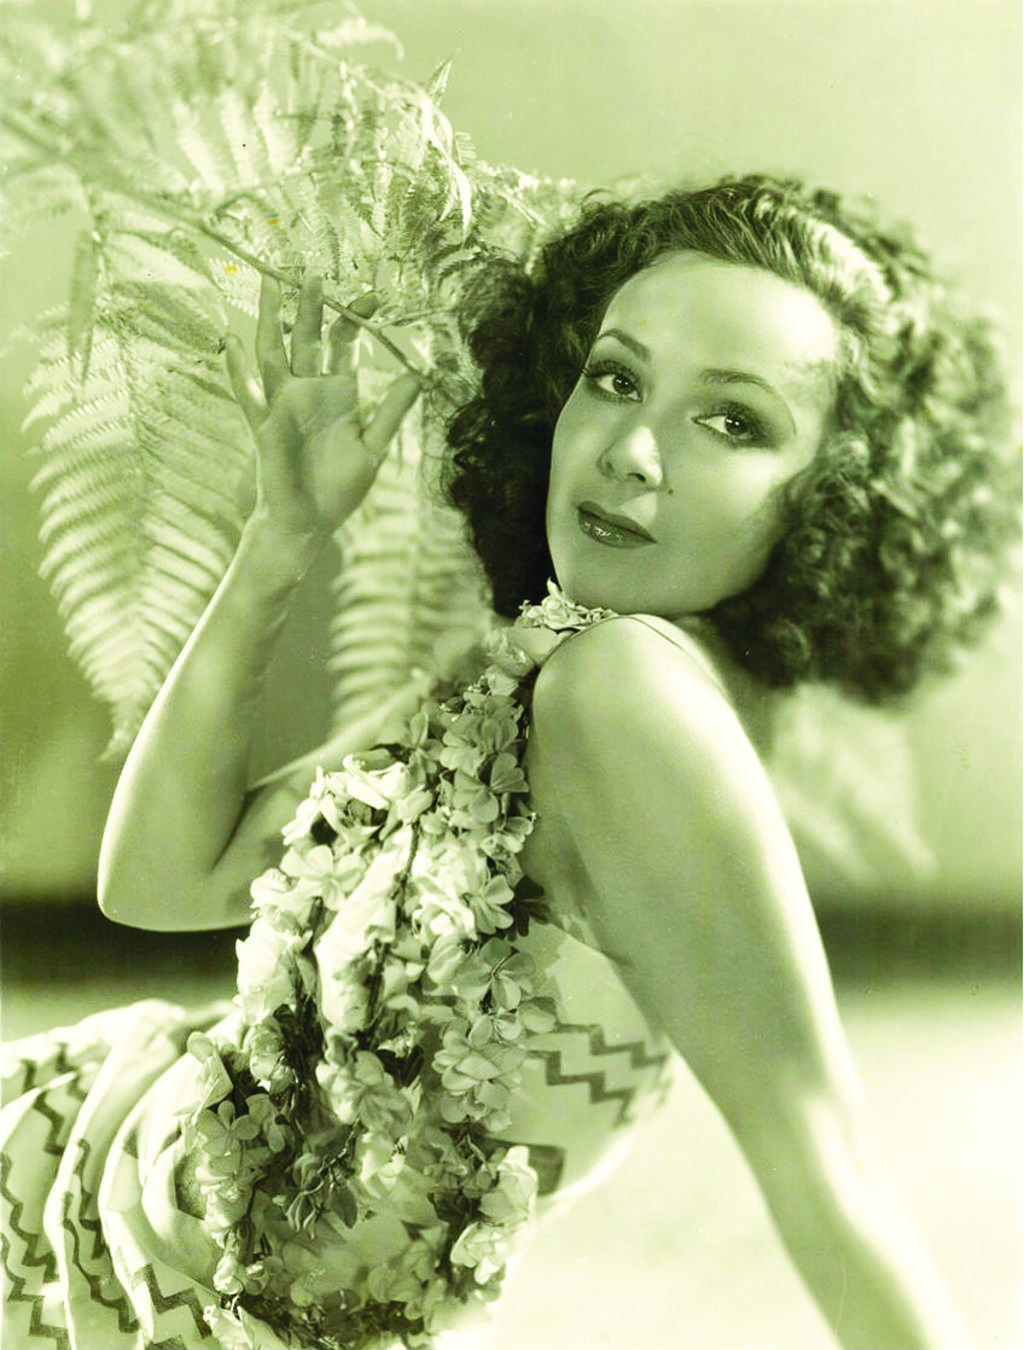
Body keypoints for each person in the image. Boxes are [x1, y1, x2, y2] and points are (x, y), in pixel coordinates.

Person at [1, 176, 1014, 1350]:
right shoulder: (539, 664)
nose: (630, 451)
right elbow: (158, 884)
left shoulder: (622, 693)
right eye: (616, 379)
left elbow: (824, 1173)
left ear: (831, 499)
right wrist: (278, 540)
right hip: (75, 1198)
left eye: (731, 421)